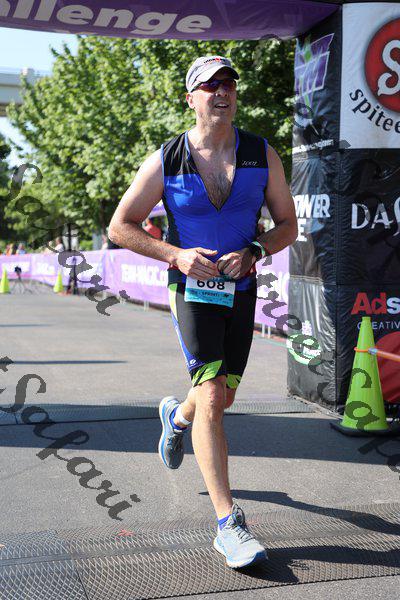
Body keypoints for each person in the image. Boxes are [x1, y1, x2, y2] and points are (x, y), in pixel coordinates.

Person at [108, 55, 297, 569]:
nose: (221, 92)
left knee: (222, 397)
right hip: (191, 290)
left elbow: (288, 225)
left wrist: (255, 250)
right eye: (209, 86)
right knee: (212, 392)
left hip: (240, 288)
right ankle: (228, 524)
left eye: (228, 84)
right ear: (190, 98)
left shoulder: (261, 153)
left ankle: (176, 416)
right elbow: (120, 226)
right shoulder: (166, 160)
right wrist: (176, 255)